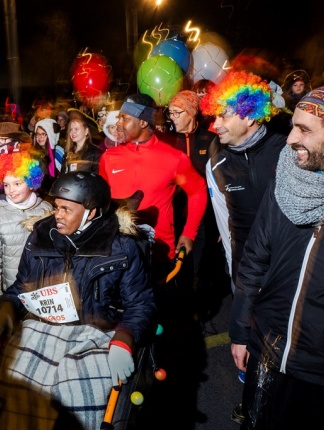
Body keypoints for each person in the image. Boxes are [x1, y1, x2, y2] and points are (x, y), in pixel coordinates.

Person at [0, 171, 155, 429]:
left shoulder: (121, 248)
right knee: (14, 388)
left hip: (96, 333)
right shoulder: (40, 238)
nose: (57, 214)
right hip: (41, 327)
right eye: (57, 207)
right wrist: (8, 305)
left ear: (91, 212)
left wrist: (125, 337)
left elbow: (140, 303)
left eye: (66, 209)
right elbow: (21, 286)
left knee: (73, 400)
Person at [229, 82, 324, 429]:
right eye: (293, 126)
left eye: (305, 129)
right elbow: (255, 256)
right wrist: (241, 331)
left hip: (320, 371)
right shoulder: (285, 177)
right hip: (266, 349)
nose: (290, 139)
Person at [201, 71, 287, 422]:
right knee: (248, 347)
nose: (214, 124)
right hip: (246, 268)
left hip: (286, 266)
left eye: (223, 115)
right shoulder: (216, 160)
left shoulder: (285, 147)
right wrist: (233, 269)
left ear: (249, 114)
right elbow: (225, 220)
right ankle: (252, 400)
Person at [99, 93, 208, 282]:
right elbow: (101, 200)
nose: (118, 123)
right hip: (116, 249)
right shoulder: (109, 157)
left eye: (124, 118)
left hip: (158, 252)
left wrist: (189, 233)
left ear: (143, 122)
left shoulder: (174, 158)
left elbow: (198, 190)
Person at [166, 90, 230, 318]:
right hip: (173, 215)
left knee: (200, 264)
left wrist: (225, 219)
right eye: (170, 112)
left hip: (203, 216)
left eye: (177, 112)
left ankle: (197, 311)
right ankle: (178, 308)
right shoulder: (167, 140)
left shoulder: (209, 140)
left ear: (191, 113)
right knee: (176, 261)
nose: (171, 117)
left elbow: (221, 180)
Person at [0, 147, 52, 314]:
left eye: (17, 183)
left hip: (43, 292)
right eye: (6, 185)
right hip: (12, 294)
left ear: (32, 182)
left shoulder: (47, 210)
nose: (11, 190)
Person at [61, 109, 102, 174]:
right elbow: (62, 175)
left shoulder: (95, 153)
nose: (72, 132)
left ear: (86, 131)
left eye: (76, 129)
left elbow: (97, 178)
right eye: (71, 129)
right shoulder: (68, 152)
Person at [32, 117, 60, 194]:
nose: (39, 137)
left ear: (50, 135)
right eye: (37, 134)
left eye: (43, 134)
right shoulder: (33, 154)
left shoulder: (58, 153)